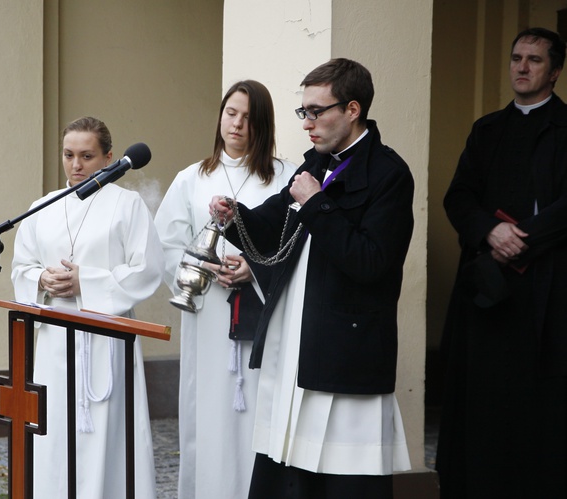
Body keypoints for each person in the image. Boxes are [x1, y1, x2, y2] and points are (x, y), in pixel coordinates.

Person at [210, 58, 414, 499]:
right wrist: (234, 218)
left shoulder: (389, 175)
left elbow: (372, 262)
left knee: (340, 477)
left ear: (353, 109)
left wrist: (318, 205)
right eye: (304, 112)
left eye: (317, 111)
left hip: (345, 348)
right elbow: (268, 227)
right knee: (286, 471)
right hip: (295, 342)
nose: (307, 123)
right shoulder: (314, 165)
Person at [437, 27, 567, 498]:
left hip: (549, 291)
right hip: (489, 286)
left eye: (534, 60)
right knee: (486, 401)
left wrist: (522, 238)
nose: (522, 67)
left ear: (554, 71)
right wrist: (489, 231)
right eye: (516, 58)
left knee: (542, 400)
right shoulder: (487, 129)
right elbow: (459, 197)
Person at [154, 80, 297, 499]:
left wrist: (253, 270)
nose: (236, 123)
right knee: (210, 413)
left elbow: (295, 244)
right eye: (230, 112)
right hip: (210, 313)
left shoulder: (284, 177)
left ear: (263, 125)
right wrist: (199, 273)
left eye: (248, 117)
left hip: (263, 315)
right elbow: (166, 244)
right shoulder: (192, 178)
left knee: (259, 411)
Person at [11, 116, 162, 498]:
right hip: (55, 341)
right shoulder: (41, 207)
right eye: (68, 155)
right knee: (55, 432)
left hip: (106, 342)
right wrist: (41, 281)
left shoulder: (127, 205)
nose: (76, 165)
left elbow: (147, 269)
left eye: (86, 155)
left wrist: (87, 282)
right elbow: (21, 267)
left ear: (109, 157)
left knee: (107, 436)